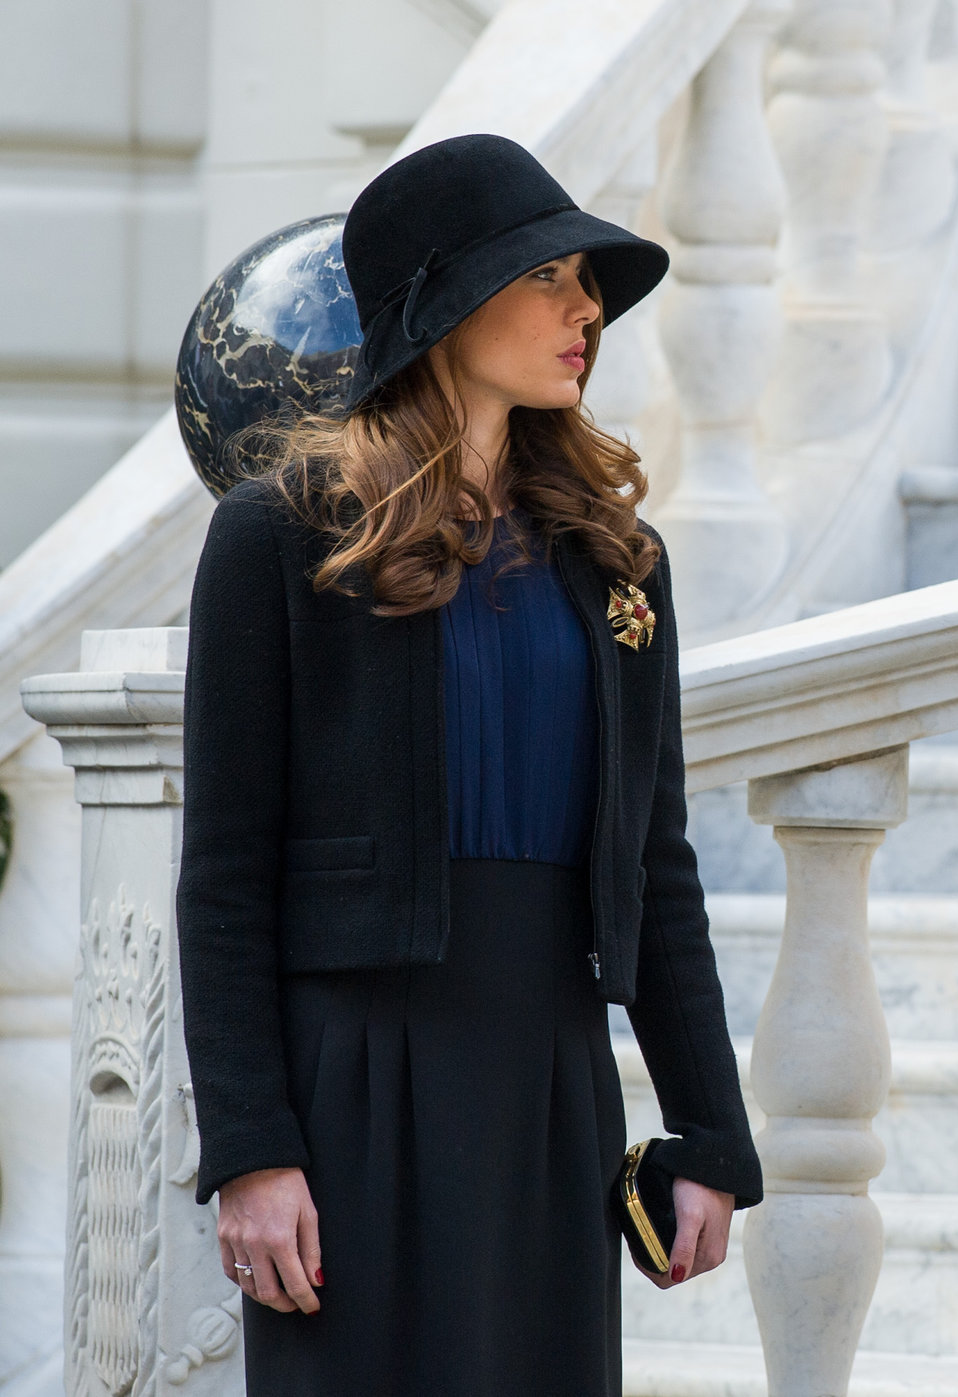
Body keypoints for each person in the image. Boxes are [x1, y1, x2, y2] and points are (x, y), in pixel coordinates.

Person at [175, 133, 761, 1396]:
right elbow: (222, 873)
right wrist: (251, 1150)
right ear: (447, 307)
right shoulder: (277, 538)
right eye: (549, 276)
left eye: (586, 281)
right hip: (352, 1085)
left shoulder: (619, 559)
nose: (586, 307)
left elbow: (657, 863)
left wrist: (711, 1127)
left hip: (548, 1077)